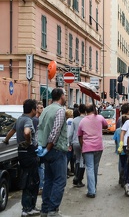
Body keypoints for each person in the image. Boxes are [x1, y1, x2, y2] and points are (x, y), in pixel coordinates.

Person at [3, 99, 40, 217]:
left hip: (21, 153)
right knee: (32, 181)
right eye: (36, 108)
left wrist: (5, 141)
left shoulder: (19, 119)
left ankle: (28, 207)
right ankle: (28, 208)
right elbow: (27, 132)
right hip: (29, 153)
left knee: (27, 179)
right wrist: (28, 141)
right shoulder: (28, 120)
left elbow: (11, 131)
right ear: (33, 109)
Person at [36, 87, 68, 217]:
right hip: (56, 149)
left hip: (45, 149)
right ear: (61, 96)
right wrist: (49, 147)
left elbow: (40, 128)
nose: (66, 97)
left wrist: (41, 146)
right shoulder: (60, 110)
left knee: (49, 179)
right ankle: (53, 210)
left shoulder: (45, 109)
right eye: (65, 95)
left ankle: (45, 209)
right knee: (60, 180)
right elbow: (55, 131)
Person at [77, 104, 108, 198]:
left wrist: (82, 146)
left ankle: (91, 191)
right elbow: (106, 126)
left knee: (89, 168)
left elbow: (80, 135)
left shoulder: (83, 121)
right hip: (98, 146)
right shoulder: (100, 118)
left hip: (87, 147)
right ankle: (93, 187)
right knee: (95, 167)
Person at [71, 104, 86, 188]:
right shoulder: (86, 120)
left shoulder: (74, 120)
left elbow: (70, 133)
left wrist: (69, 143)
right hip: (84, 142)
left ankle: (76, 177)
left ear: (79, 111)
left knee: (77, 159)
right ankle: (79, 179)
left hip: (75, 142)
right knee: (82, 161)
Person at [32, 101, 44, 195]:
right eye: (40, 108)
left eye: (42, 107)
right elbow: (36, 134)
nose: (42, 109)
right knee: (40, 167)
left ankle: (40, 185)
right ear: (36, 109)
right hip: (37, 146)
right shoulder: (36, 120)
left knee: (40, 167)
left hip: (39, 145)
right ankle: (41, 186)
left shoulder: (39, 119)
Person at [66, 109, 75, 178]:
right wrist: (69, 143)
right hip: (69, 142)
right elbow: (69, 133)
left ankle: (71, 171)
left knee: (70, 157)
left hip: (68, 142)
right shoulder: (70, 121)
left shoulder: (67, 121)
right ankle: (66, 171)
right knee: (69, 157)